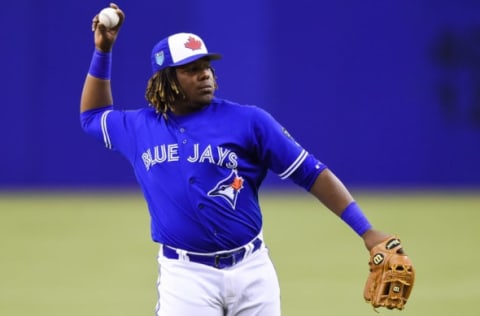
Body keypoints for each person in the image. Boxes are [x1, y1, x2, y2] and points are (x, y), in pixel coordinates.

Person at [80, 3, 392, 315]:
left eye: (206, 66)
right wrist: (103, 50)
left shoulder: (249, 121)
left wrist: (366, 231)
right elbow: (93, 116)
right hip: (186, 278)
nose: (204, 74)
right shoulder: (138, 127)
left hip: (252, 271)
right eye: (191, 69)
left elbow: (312, 174)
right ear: (166, 80)